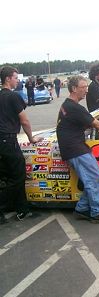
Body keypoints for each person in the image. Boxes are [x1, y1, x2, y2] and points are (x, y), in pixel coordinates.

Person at [56, 75, 99, 224]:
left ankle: (81, 209)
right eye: (83, 87)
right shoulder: (75, 107)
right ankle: (96, 213)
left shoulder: (67, 105)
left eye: (87, 87)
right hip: (76, 149)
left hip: (74, 147)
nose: (86, 91)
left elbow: (77, 124)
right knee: (94, 178)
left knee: (92, 179)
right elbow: (98, 124)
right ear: (74, 89)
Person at [0, 66, 43, 224]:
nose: (17, 81)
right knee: (18, 177)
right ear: (7, 79)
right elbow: (24, 120)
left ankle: (22, 210)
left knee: (9, 177)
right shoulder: (13, 96)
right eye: (16, 78)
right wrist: (31, 138)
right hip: (8, 141)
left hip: (3, 141)